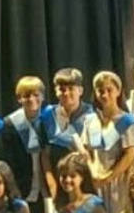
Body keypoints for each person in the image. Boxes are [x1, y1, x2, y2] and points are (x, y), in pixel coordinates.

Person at [0, 75, 49, 213]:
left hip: (44, 192)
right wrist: (13, 189)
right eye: (26, 96)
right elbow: (5, 161)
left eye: (36, 94)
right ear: (19, 98)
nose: (31, 99)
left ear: (43, 97)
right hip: (21, 191)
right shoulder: (10, 125)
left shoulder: (49, 122)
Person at [82, 71, 134, 213]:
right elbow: (87, 151)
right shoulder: (90, 120)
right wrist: (94, 171)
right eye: (101, 91)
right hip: (95, 180)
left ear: (118, 91)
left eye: (109, 90)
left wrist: (109, 177)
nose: (105, 95)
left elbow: (129, 155)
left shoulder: (126, 121)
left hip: (118, 182)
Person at [40, 68, 96, 198]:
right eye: (62, 89)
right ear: (56, 91)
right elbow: (44, 155)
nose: (66, 93)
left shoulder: (92, 116)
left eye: (71, 88)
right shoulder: (48, 115)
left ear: (80, 91)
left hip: (85, 182)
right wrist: (52, 184)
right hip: (57, 181)